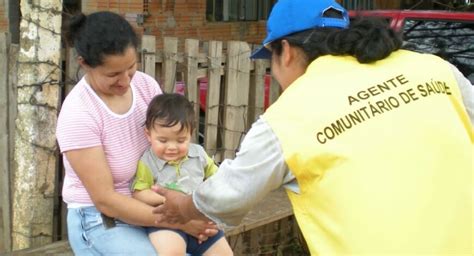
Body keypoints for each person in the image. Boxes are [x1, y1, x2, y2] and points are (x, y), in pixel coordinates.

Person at [152, 0, 473, 255]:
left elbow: (228, 196)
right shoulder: (435, 69)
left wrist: (182, 205)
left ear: (286, 52)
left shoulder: (289, 118)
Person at [56, 11, 217, 255]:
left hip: (154, 206)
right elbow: (105, 200)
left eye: (130, 68)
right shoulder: (78, 113)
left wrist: (187, 208)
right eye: (112, 75)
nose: (125, 81)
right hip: (101, 219)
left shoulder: (145, 85)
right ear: (84, 64)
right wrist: (181, 221)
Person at [131, 93, 233, 255]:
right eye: (163, 141)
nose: (172, 147)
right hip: (167, 222)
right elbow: (139, 193)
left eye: (180, 140)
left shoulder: (198, 154)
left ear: (191, 134)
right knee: (172, 252)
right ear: (148, 135)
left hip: (199, 217)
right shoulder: (147, 161)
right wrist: (171, 200)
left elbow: (218, 177)